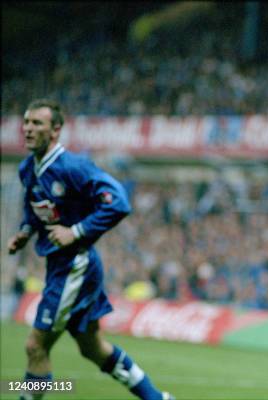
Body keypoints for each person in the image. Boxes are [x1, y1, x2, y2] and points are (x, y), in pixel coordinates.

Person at [7, 99, 173, 400]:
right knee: (92, 348)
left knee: (35, 346)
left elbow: (119, 202)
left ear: (56, 130)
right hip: (61, 266)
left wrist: (77, 231)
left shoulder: (74, 167)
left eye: (37, 124)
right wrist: (25, 232)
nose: (28, 129)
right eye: (26, 123)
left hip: (75, 266)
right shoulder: (28, 169)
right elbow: (35, 210)